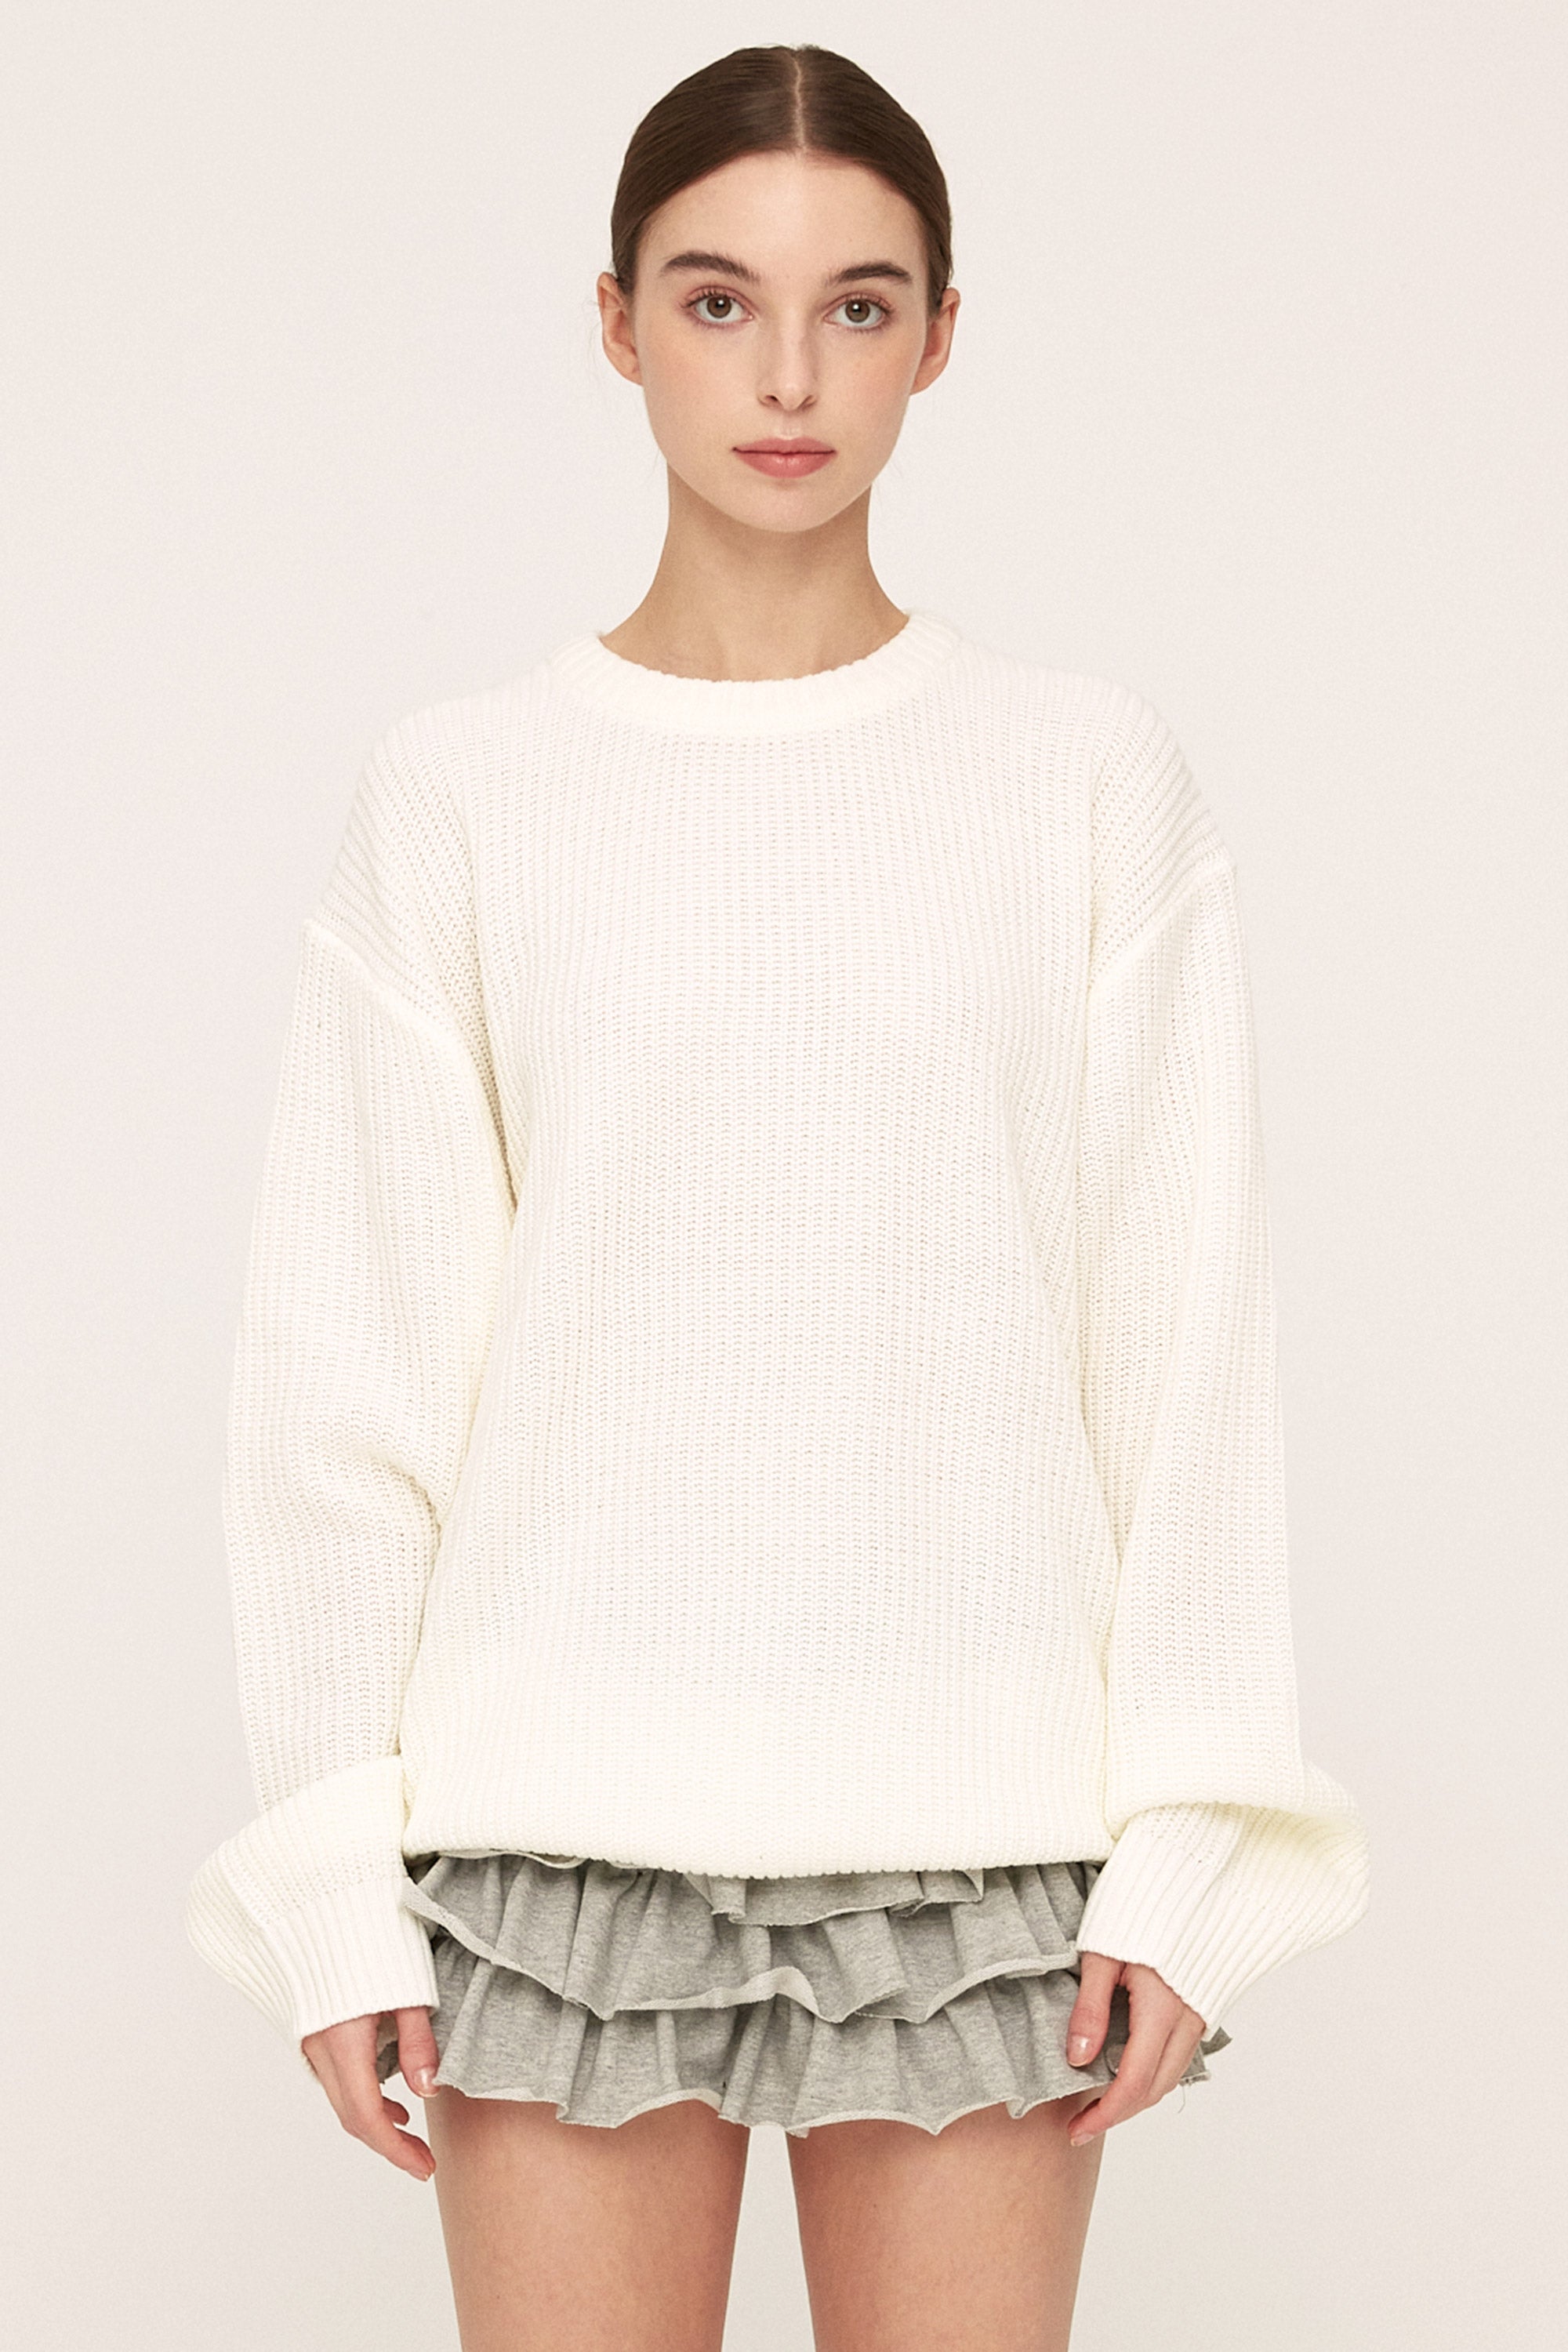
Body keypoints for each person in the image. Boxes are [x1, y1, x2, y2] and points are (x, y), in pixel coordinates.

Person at [185, 42, 1370, 2352]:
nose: (791, 376)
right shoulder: (463, 797)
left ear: (942, 335)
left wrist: (1190, 1843)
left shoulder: (1084, 779)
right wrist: (331, 1875)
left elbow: (1183, 1344)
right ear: (618, 324)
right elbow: (348, 1377)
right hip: (554, 1849)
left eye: (859, 305)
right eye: (719, 301)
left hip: (982, 1848)